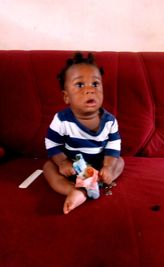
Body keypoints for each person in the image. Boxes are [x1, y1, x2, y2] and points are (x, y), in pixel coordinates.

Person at [43, 52, 124, 214]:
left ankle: (98, 181)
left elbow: (113, 146)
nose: (89, 90)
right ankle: (74, 190)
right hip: (72, 166)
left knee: (120, 162)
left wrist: (107, 167)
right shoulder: (61, 120)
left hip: (99, 164)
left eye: (95, 84)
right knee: (48, 167)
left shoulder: (109, 121)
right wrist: (62, 163)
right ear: (66, 97)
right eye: (80, 85)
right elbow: (52, 144)